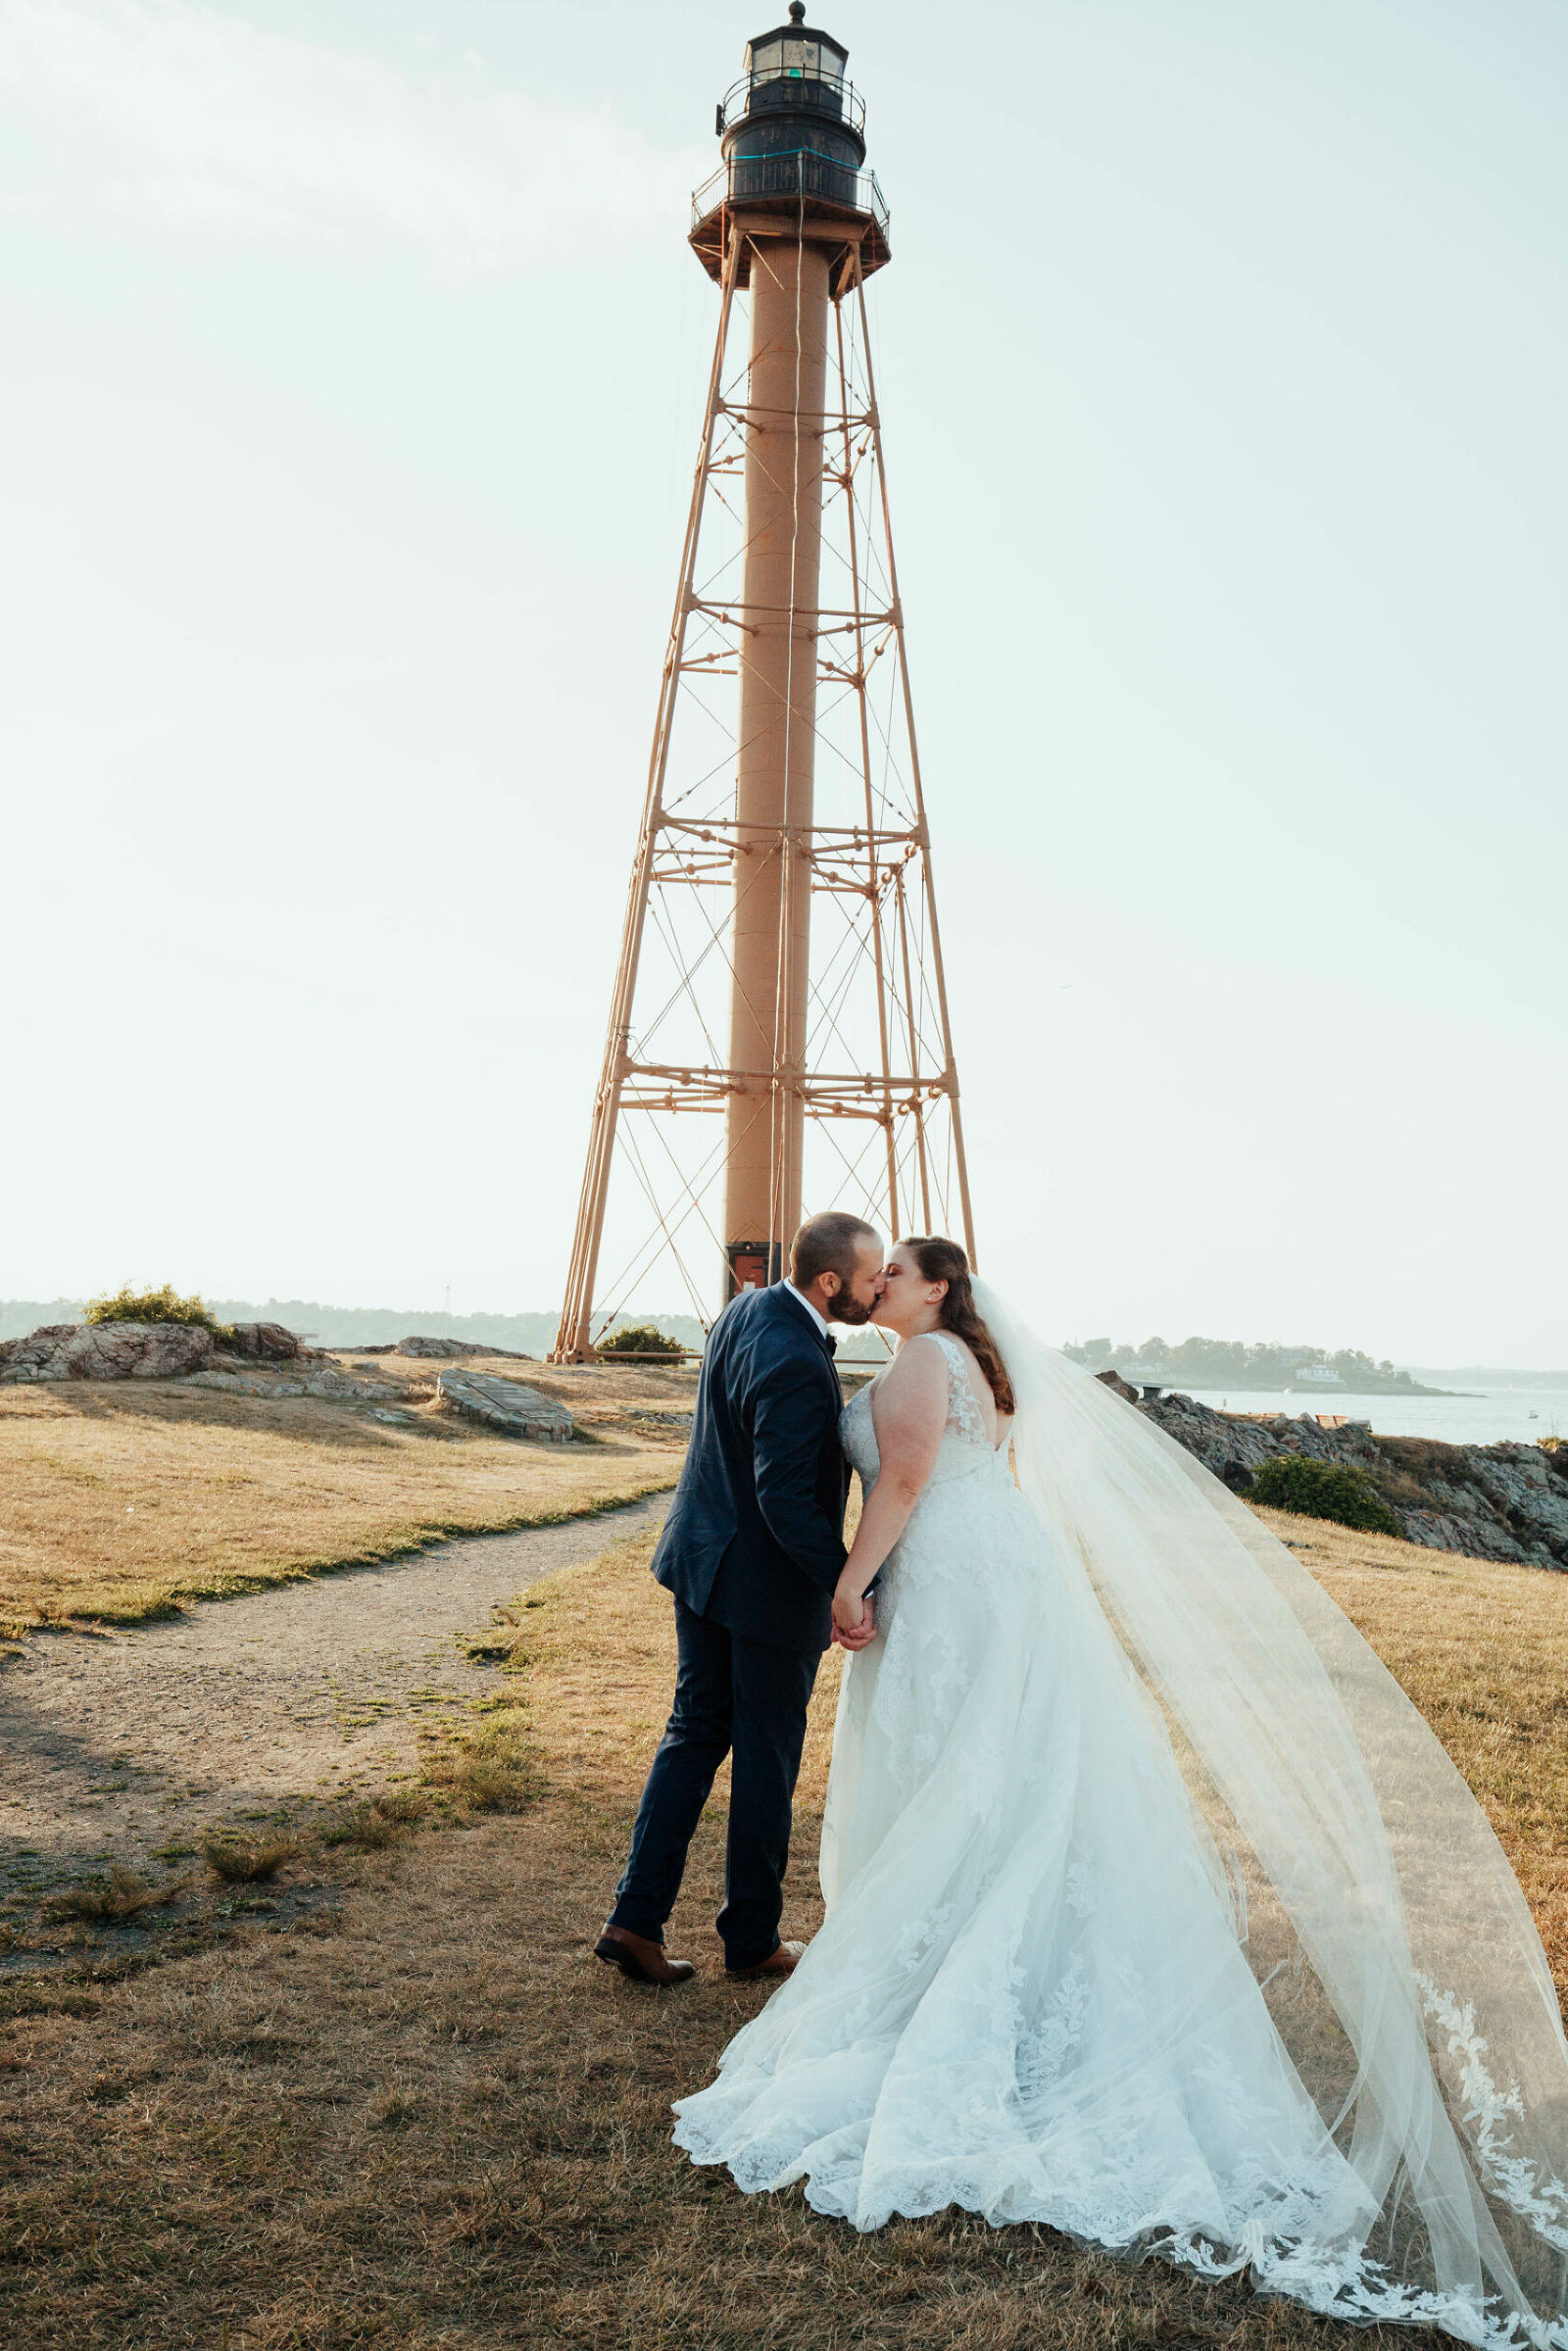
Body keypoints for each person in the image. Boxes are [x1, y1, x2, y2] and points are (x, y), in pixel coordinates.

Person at [671, 1238, 1568, 2350]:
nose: (881, 1284)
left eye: (897, 1270)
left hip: (950, 1581)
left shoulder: (918, 1363)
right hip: (999, 1571)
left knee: (962, 1777)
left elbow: (899, 1481)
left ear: (938, 1286)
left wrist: (850, 1580)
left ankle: (945, 1962)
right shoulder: (977, 1368)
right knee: (1009, 1779)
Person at [595, 1209, 886, 1987]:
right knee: (766, 1760)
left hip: (702, 1562)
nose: (877, 1287)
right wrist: (848, 1581)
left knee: (693, 1734)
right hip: (762, 1589)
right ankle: (752, 1938)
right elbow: (786, 1497)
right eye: (869, 1278)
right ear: (831, 1283)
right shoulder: (795, 1354)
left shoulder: (746, 1305)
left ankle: (634, 1917)